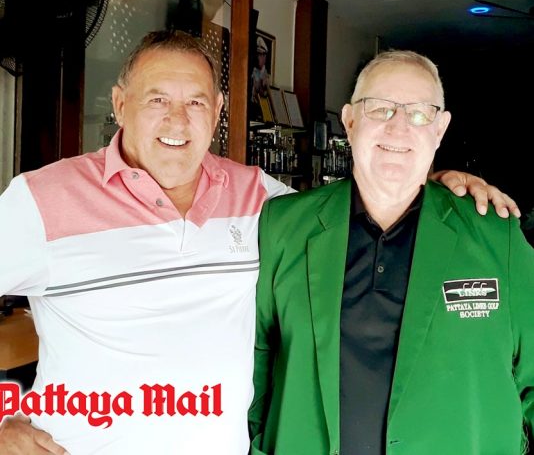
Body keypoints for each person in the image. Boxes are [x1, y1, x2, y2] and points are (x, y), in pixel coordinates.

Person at [0, 30, 519, 454]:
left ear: (218, 110)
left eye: (196, 102)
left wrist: (435, 186)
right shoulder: (42, 198)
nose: (177, 120)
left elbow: (364, 199)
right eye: (157, 99)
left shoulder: (260, 200)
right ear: (119, 104)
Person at [249, 50, 534, 455]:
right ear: (350, 121)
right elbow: (256, 363)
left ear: (440, 129)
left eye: (419, 113)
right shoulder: (283, 225)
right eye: (380, 108)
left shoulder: (495, 234)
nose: (398, 126)